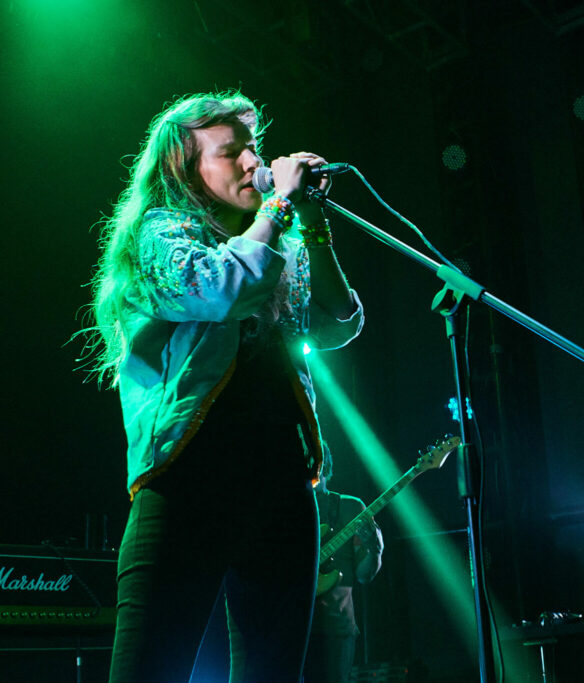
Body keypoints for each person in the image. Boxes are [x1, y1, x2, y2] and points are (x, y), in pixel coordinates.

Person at [80, 91, 364, 683]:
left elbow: (341, 323)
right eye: (230, 152)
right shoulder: (158, 237)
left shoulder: (276, 243)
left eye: (252, 149)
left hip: (282, 488)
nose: (251, 164)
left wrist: (310, 223)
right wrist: (281, 209)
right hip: (187, 484)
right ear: (186, 169)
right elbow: (225, 287)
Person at [304, 445, 384, 683]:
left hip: (335, 629)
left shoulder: (350, 508)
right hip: (290, 627)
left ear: (324, 465)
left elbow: (364, 574)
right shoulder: (284, 512)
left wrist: (374, 550)